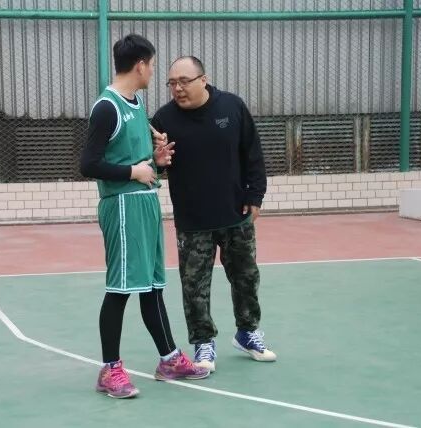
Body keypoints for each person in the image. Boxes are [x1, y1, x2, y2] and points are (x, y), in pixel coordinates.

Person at [80, 36, 209, 399]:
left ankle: (169, 359)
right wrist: (132, 172)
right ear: (140, 65)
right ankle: (110, 369)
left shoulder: (137, 104)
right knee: (120, 289)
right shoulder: (107, 108)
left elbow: (138, 162)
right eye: (151, 65)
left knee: (152, 286)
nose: (153, 71)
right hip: (122, 206)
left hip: (146, 204)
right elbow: (88, 164)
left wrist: (156, 162)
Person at [151, 56, 277, 373]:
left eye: (184, 81)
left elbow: (253, 153)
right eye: (171, 83)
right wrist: (157, 160)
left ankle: (247, 332)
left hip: (236, 213)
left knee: (246, 277)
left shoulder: (232, 107)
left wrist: (256, 195)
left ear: (203, 80)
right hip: (193, 220)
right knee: (194, 286)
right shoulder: (163, 119)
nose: (177, 89)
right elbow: (153, 166)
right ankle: (203, 342)